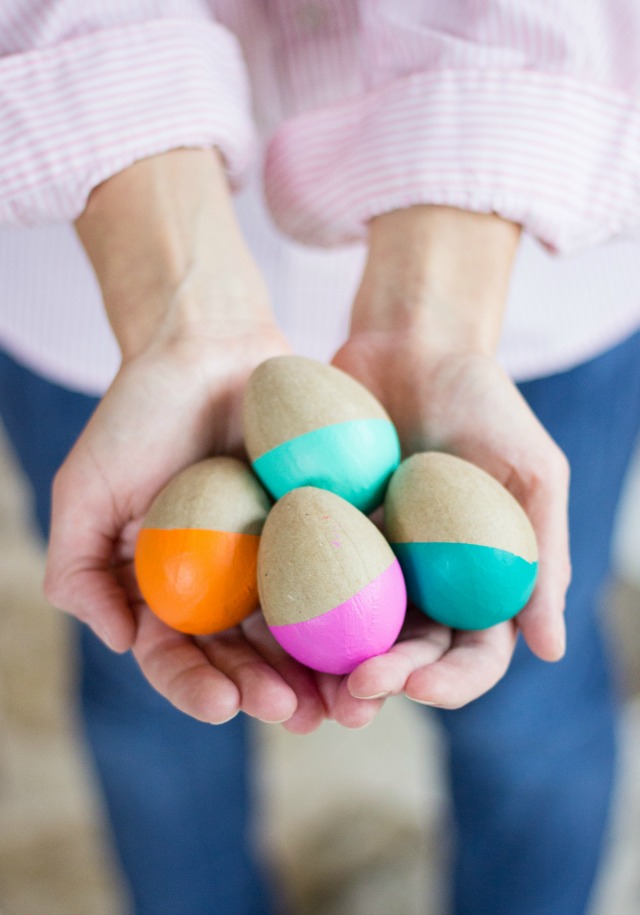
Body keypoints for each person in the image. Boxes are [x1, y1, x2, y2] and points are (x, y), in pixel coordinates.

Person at [2, 3, 640, 913]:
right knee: (151, 681)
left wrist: (442, 307)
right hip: (99, 276)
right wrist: (177, 309)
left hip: (524, 272)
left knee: (535, 700)